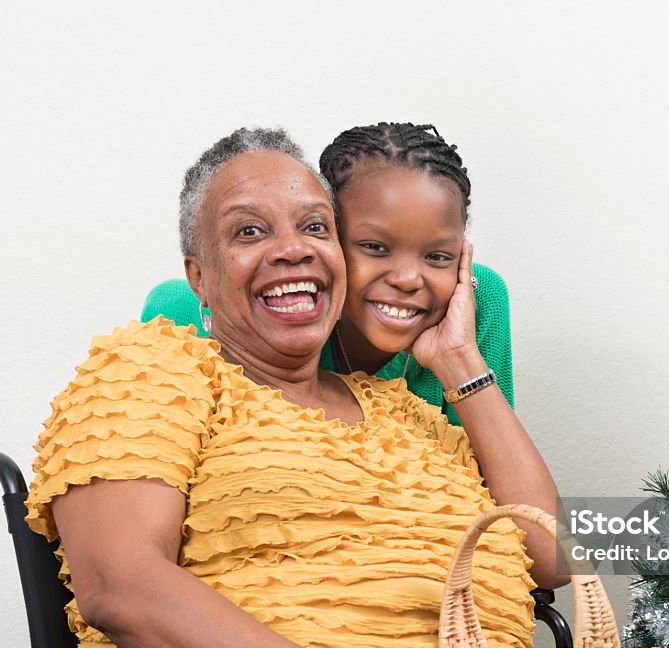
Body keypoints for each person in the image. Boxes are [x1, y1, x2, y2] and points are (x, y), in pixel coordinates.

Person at [26, 127, 669, 648]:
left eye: (314, 227)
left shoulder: (405, 411)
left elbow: (550, 552)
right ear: (198, 275)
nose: (291, 248)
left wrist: (459, 360)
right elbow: (121, 586)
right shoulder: (152, 367)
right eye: (249, 231)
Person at [142, 122, 512, 425]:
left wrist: (460, 360)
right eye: (374, 247)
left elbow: (519, 509)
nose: (407, 278)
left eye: (437, 255)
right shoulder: (181, 313)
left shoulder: (474, 299)